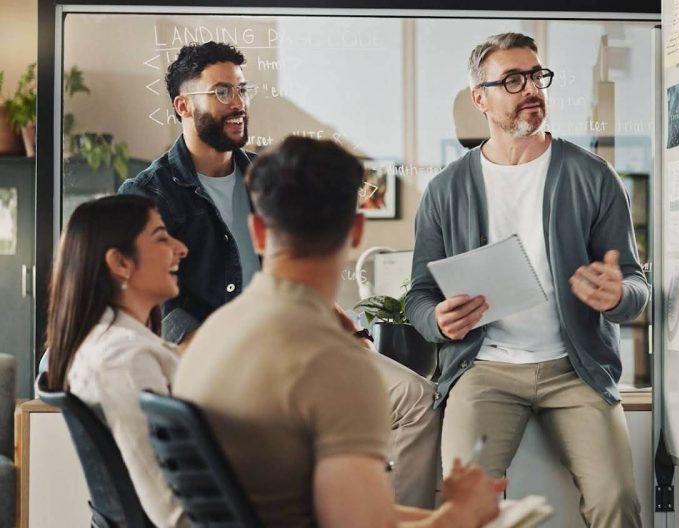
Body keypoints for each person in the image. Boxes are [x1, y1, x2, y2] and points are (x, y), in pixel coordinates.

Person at [119, 41, 440, 508]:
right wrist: (212, 353)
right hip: (222, 351)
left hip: (299, 333)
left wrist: (347, 331)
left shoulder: (263, 177)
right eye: (223, 91)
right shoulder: (150, 192)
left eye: (243, 90)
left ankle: (397, 509)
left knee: (417, 397)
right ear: (183, 105)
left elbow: (296, 269)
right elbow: (159, 300)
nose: (239, 103)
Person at [173, 136, 505, 527]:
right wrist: (462, 515)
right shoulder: (336, 366)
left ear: (258, 232)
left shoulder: (212, 334)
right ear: (356, 230)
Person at [405, 33, 649, 527]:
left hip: (575, 372)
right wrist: (439, 320)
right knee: (460, 513)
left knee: (616, 499)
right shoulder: (446, 189)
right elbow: (418, 297)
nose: (531, 89)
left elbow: (636, 285)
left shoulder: (592, 176)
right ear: (481, 98)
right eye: (512, 80)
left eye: (537, 76)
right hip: (484, 371)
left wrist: (618, 295)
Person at [44, 195, 189, 528]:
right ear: (121, 264)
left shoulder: (113, 346)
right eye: (162, 238)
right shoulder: (124, 361)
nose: (181, 249)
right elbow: (170, 514)